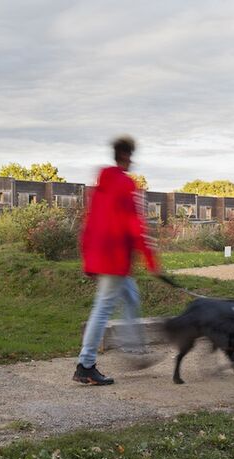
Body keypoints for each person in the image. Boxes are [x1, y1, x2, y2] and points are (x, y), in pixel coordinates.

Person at [73, 135, 161, 386]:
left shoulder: (101, 185)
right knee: (102, 309)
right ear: (125, 156)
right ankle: (86, 365)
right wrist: (150, 259)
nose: (132, 161)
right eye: (131, 156)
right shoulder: (124, 183)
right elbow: (134, 225)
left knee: (132, 297)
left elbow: (91, 222)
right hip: (114, 258)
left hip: (103, 254)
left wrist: (87, 256)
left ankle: (134, 350)